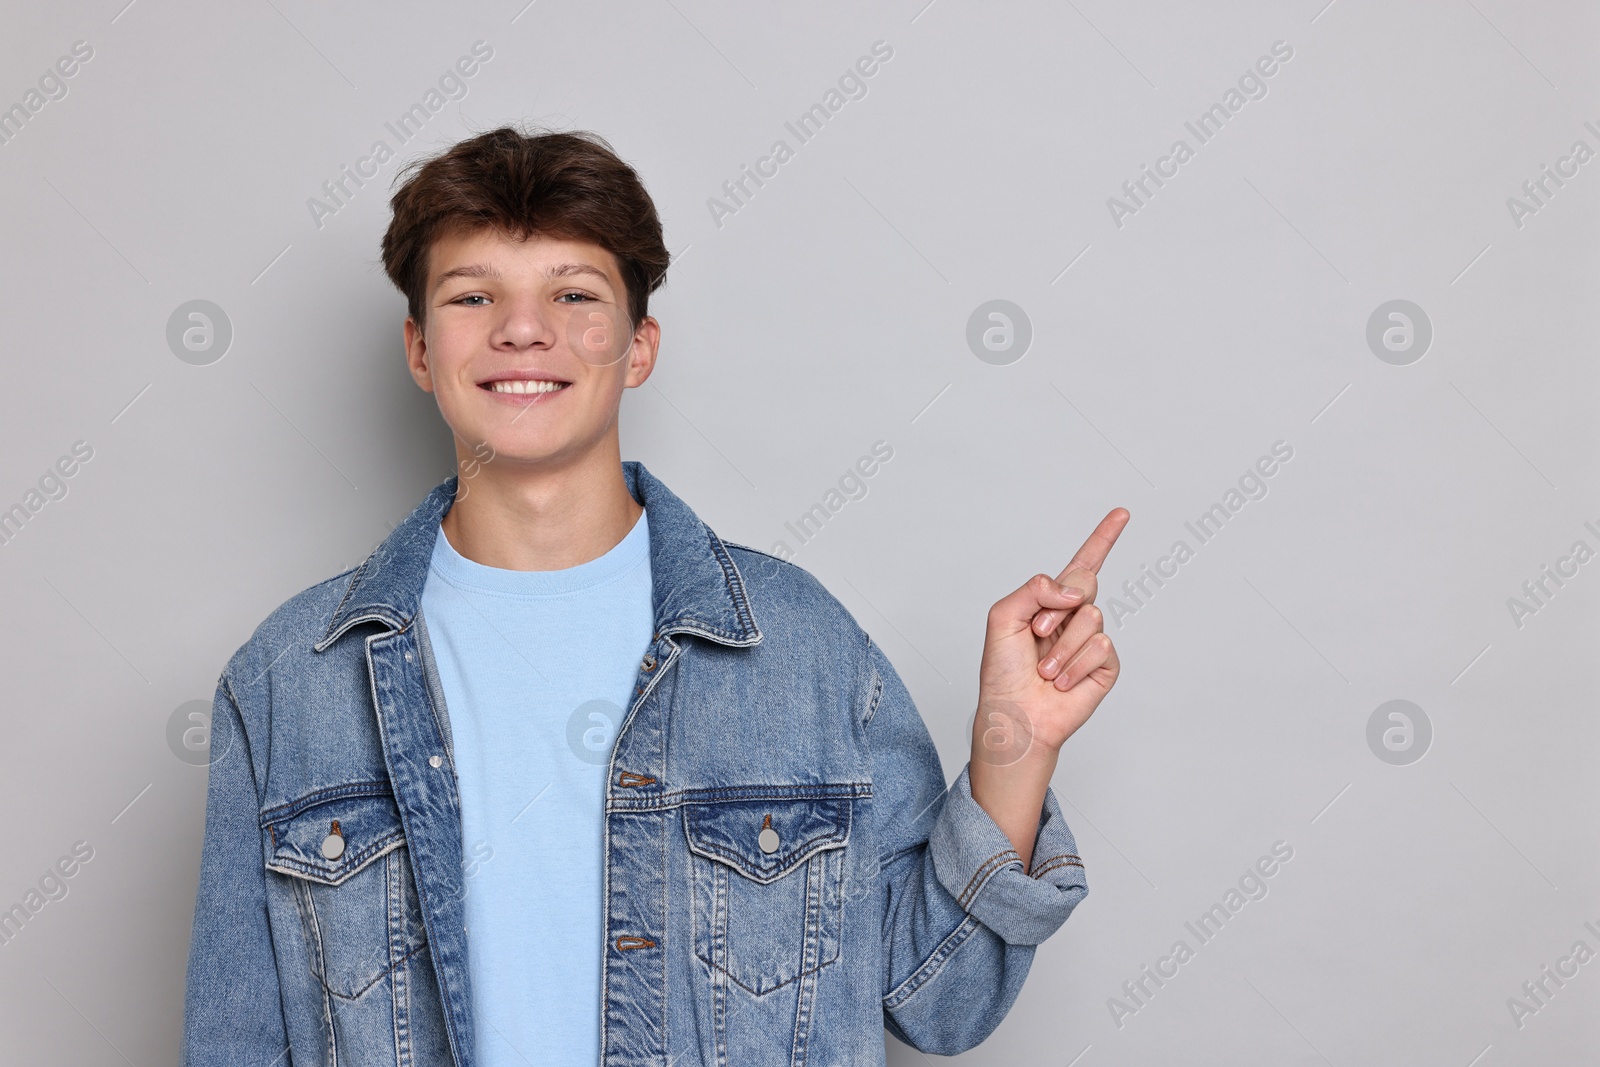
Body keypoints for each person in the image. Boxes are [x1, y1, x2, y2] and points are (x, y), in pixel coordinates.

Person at [182, 124, 1127, 1067]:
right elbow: (234, 1044)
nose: (523, 329)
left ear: (638, 347)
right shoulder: (287, 679)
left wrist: (1016, 749)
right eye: (474, 295)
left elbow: (941, 1001)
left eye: (574, 295)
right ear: (420, 350)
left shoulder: (800, 647)